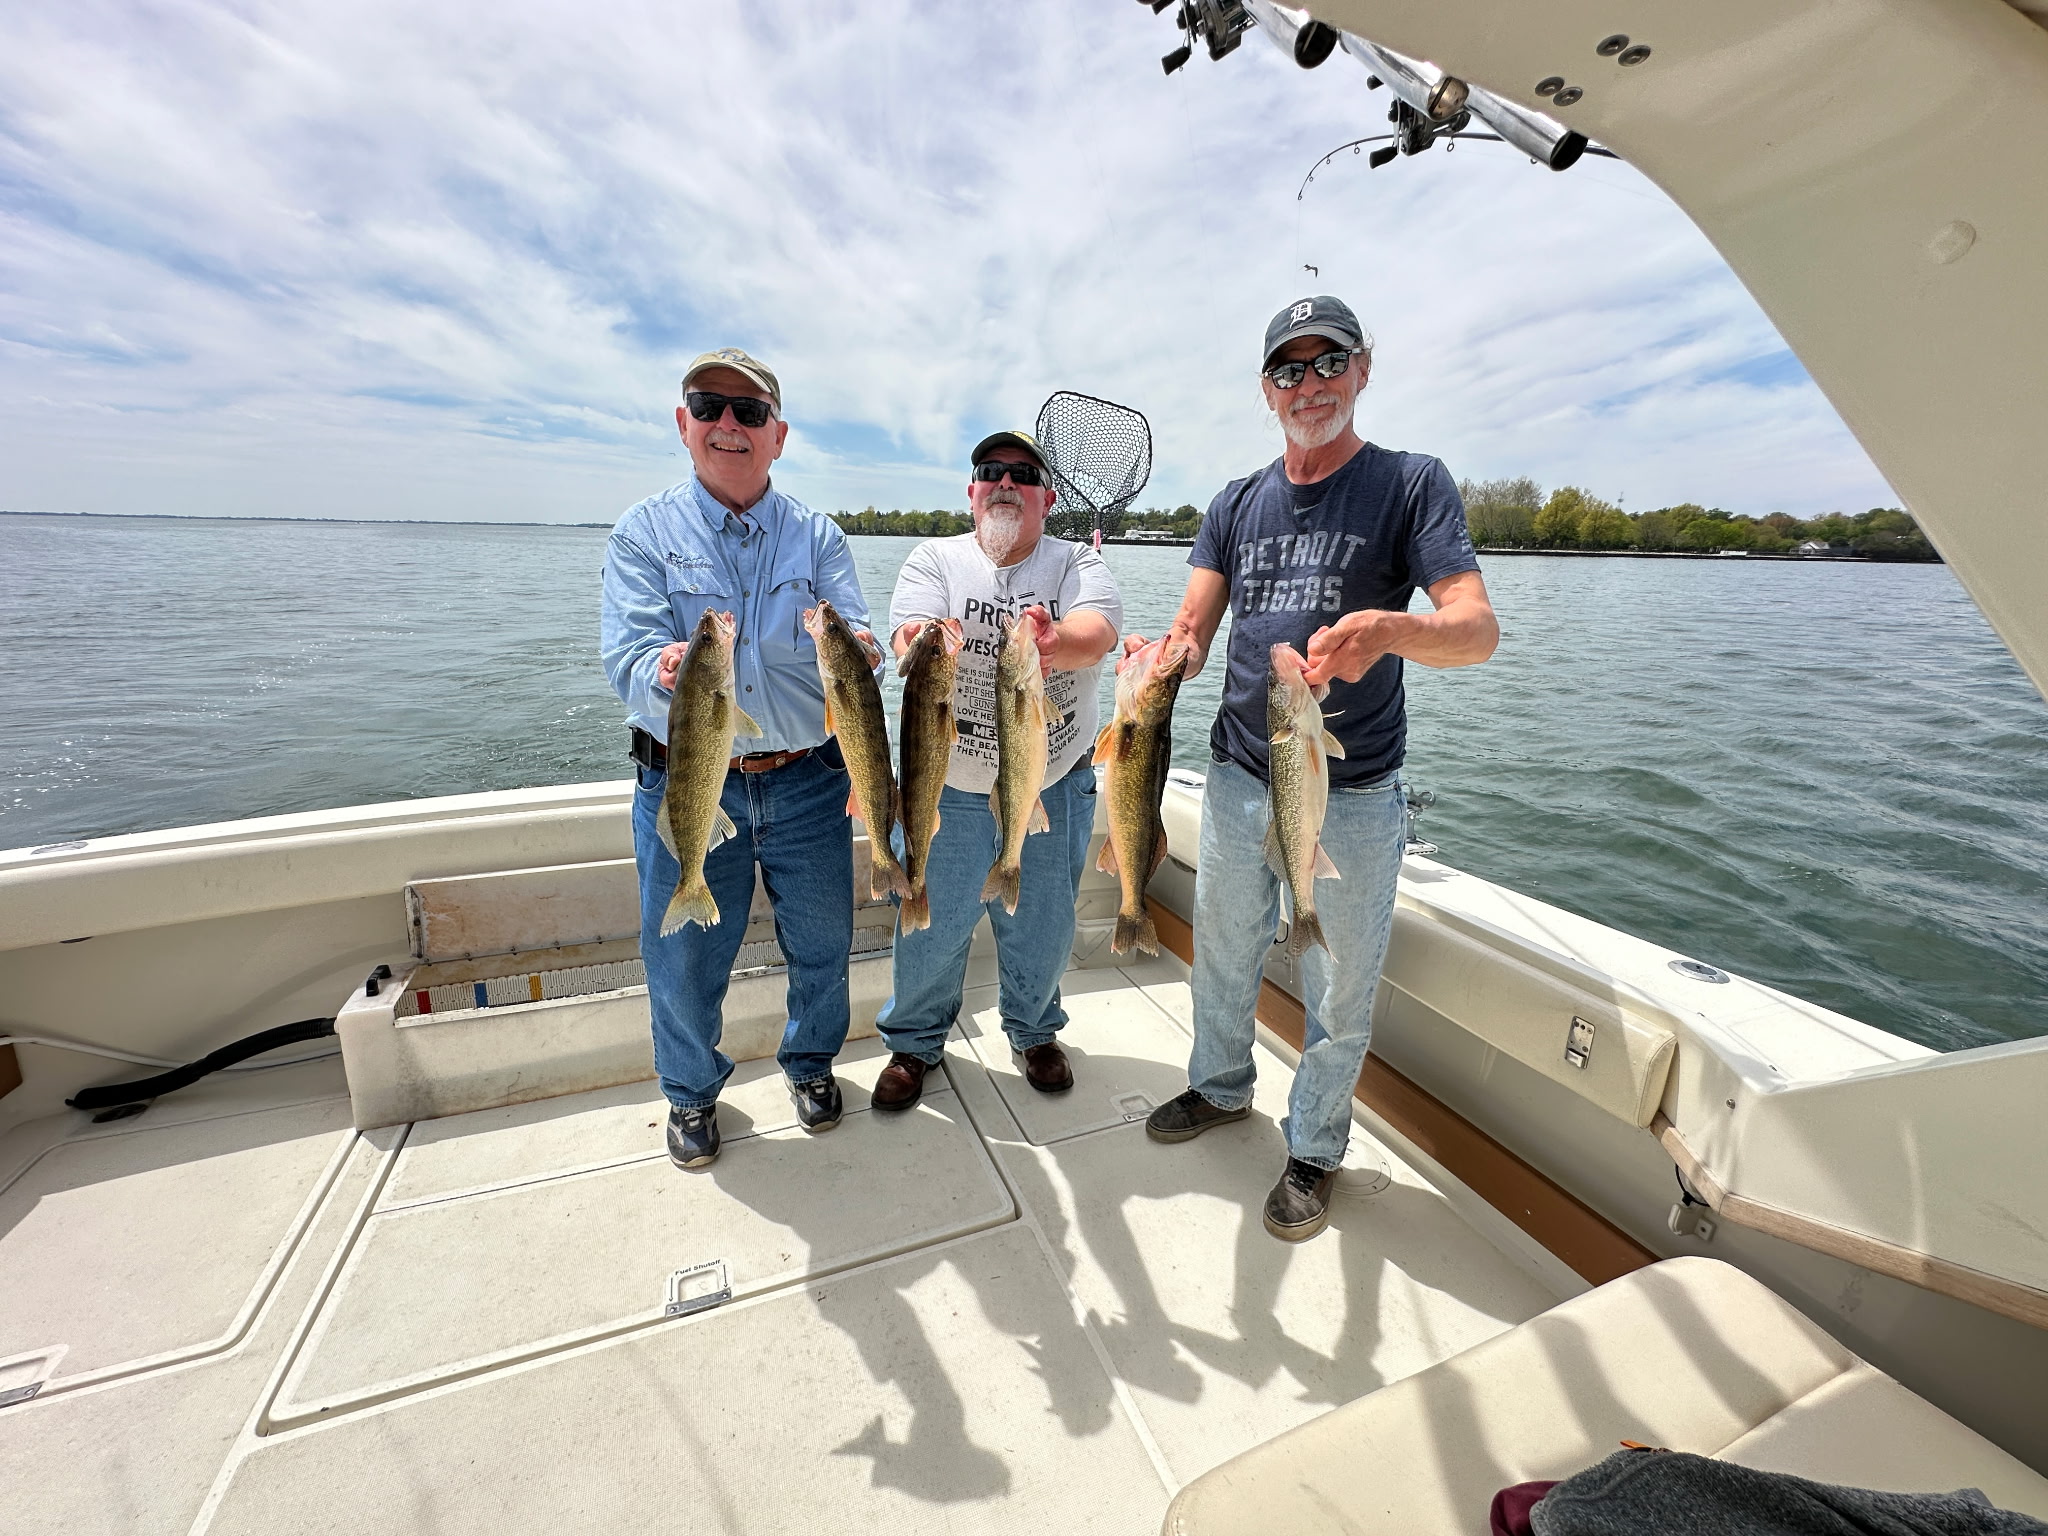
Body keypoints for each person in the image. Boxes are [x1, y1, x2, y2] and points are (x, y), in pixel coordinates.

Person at [1131, 297, 1499, 1241]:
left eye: (1327, 362)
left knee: (1339, 984)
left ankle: (1314, 1149)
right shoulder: (1234, 503)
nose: (1309, 385)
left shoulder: (1410, 484)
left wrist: (1393, 630)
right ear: (1267, 390)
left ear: (1363, 368)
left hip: (1356, 788)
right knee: (1222, 950)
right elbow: (1193, 630)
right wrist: (1158, 659)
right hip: (1237, 773)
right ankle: (1218, 1088)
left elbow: (1477, 631)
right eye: (1288, 371)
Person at [600, 347, 882, 1170]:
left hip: (808, 779)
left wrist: (858, 646)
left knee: (825, 943)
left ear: (778, 435)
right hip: (686, 779)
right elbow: (627, 660)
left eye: (749, 412)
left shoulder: (819, 537)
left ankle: (812, 1065)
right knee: (683, 958)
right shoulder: (642, 533)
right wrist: (661, 673)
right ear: (684, 424)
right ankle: (689, 1095)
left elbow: (858, 635)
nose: (730, 423)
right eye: (709, 406)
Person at [870, 430, 1123, 1110]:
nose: (1004, 482)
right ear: (972, 491)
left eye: (1022, 473)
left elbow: (1099, 632)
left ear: (1046, 497)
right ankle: (914, 1042)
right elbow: (904, 637)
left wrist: (1054, 640)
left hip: (1053, 777)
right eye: (990, 471)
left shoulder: (1076, 564)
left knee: (1043, 924)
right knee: (932, 922)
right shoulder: (934, 559)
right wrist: (925, 639)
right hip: (946, 785)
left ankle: (1035, 1030)